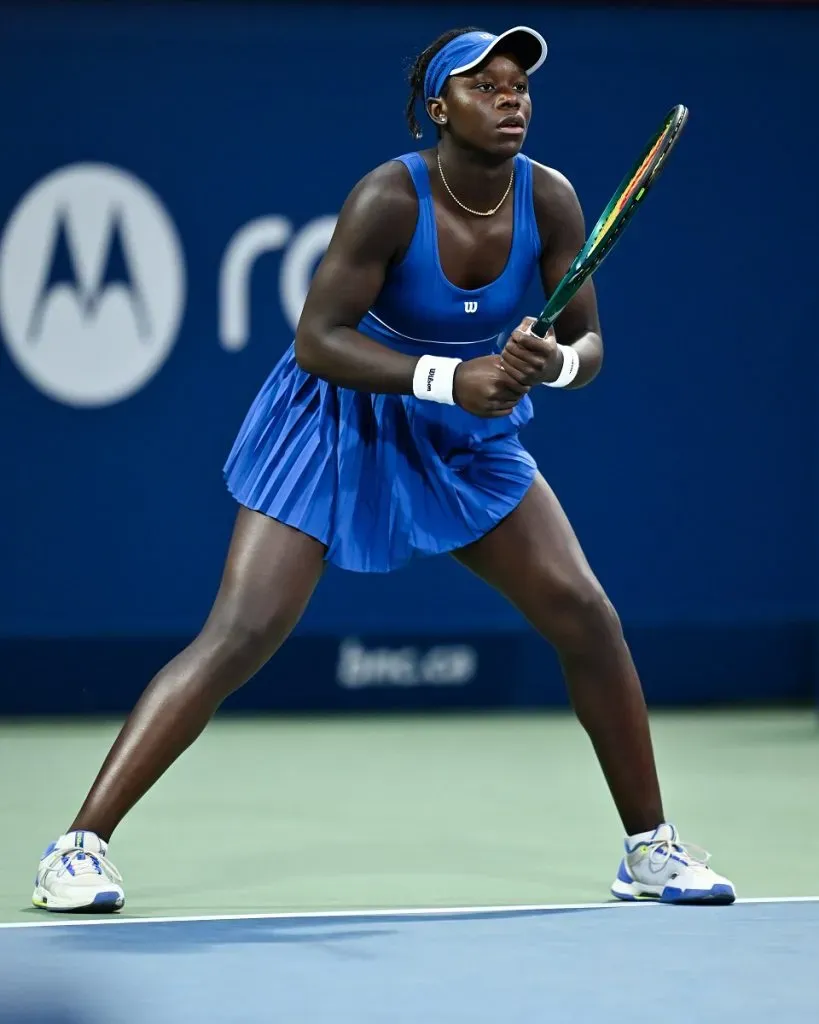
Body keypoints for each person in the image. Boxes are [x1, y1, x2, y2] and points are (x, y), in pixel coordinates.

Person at [32, 25, 734, 913]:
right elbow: (317, 342)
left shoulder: (550, 200)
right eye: (485, 85)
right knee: (240, 634)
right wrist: (452, 374)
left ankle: (649, 850)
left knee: (585, 614)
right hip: (337, 420)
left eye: (519, 84)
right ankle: (79, 846)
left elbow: (588, 346)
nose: (510, 97)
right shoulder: (386, 199)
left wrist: (543, 365)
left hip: (464, 437)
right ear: (438, 110)